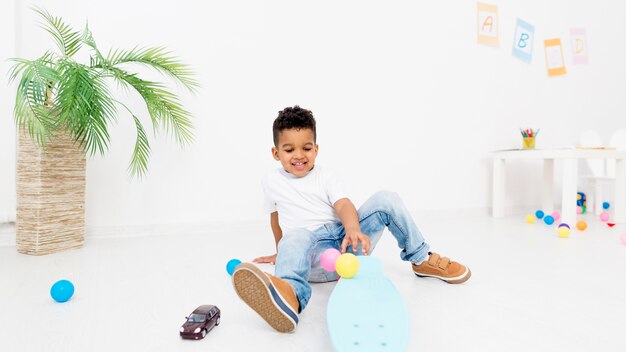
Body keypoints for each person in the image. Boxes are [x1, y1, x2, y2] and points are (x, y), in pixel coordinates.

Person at [232, 105, 471, 333]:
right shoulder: (271, 182)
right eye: (289, 149)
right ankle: (290, 297)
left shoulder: (325, 176)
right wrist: (283, 252)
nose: (299, 156)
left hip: (345, 245)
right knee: (295, 237)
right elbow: (276, 219)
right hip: (311, 256)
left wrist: (353, 228)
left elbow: (343, 204)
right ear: (276, 153)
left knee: (386, 198)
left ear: (316, 149)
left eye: (306, 148)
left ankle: (421, 258)